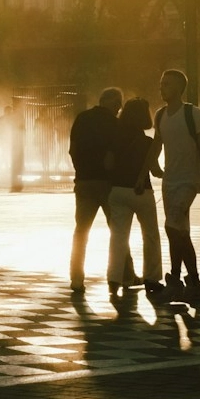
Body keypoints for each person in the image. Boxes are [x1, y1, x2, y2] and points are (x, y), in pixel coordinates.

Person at [140, 69, 200, 305]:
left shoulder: (193, 114)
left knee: (172, 227)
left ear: (180, 88)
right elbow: (156, 145)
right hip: (170, 181)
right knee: (179, 232)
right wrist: (150, 168)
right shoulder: (161, 116)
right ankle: (193, 283)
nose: (162, 88)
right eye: (161, 84)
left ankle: (176, 281)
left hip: (189, 180)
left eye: (167, 84)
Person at [106, 97, 165, 300]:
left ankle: (114, 279)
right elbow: (155, 170)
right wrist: (168, 174)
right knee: (150, 235)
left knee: (118, 237)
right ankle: (152, 278)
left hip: (117, 190)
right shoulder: (147, 142)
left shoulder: (113, 139)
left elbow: (108, 165)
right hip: (142, 192)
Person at [67, 87, 122, 296]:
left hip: (84, 181)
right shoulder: (115, 124)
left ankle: (76, 278)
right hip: (108, 183)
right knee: (117, 230)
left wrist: (80, 169)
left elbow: (72, 149)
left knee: (81, 231)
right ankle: (121, 274)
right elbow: (116, 154)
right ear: (113, 103)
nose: (119, 109)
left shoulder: (82, 118)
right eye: (118, 104)